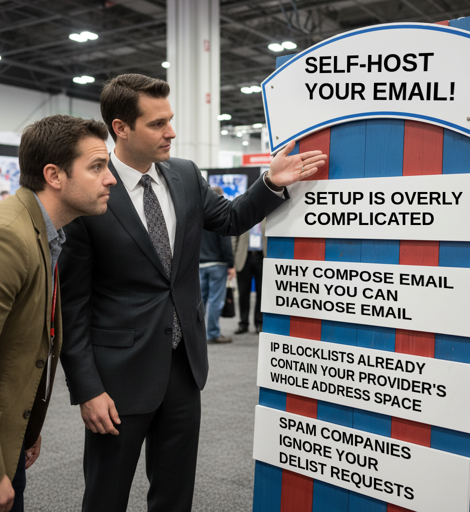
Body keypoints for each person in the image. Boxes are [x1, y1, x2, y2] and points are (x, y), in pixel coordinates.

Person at [58, 73, 326, 512]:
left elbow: (231, 219)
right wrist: (87, 389)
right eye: (157, 124)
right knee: (106, 495)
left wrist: (272, 182)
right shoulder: (90, 191)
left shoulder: (184, 174)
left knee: (176, 493)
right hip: (118, 379)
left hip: (183, 368)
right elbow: (72, 306)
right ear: (121, 128)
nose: (171, 132)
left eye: (171, 119)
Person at [0, 115, 115, 512]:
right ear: (54, 175)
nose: (111, 179)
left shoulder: (46, 235)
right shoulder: (9, 237)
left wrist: (24, 429)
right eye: (96, 167)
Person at [199, 186, 236, 344]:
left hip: (200, 264)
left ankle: (197, 334)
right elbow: (226, 244)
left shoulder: (198, 215)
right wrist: (231, 265)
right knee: (215, 300)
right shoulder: (220, 216)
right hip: (217, 264)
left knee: (200, 302)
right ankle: (213, 333)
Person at [233, 220, 267, 334]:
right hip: (244, 258)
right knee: (243, 293)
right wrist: (233, 258)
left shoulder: (267, 218)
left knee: (261, 293)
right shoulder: (245, 217)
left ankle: (259, 323)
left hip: (262, 257)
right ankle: (243, 323)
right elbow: (234, 237)